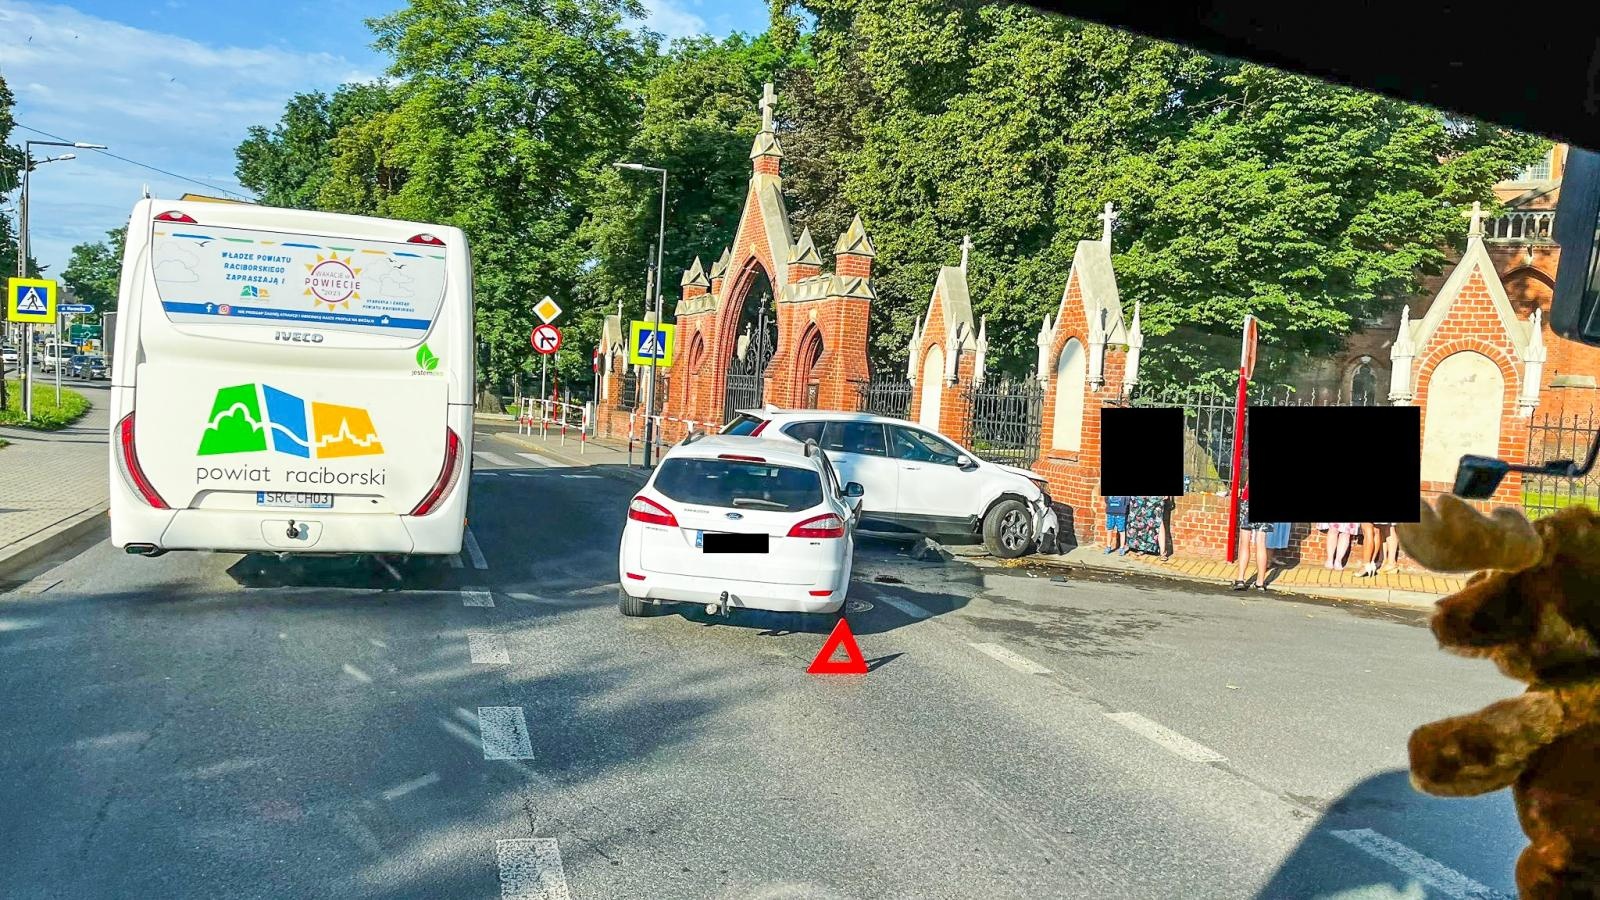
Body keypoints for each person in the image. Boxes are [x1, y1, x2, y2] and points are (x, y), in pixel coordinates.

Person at [1232, 483, 1274, 591]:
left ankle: (1240, 579)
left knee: (1244, 542)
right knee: (1261, 543)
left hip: (1248, 499)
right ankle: (1260, 583)